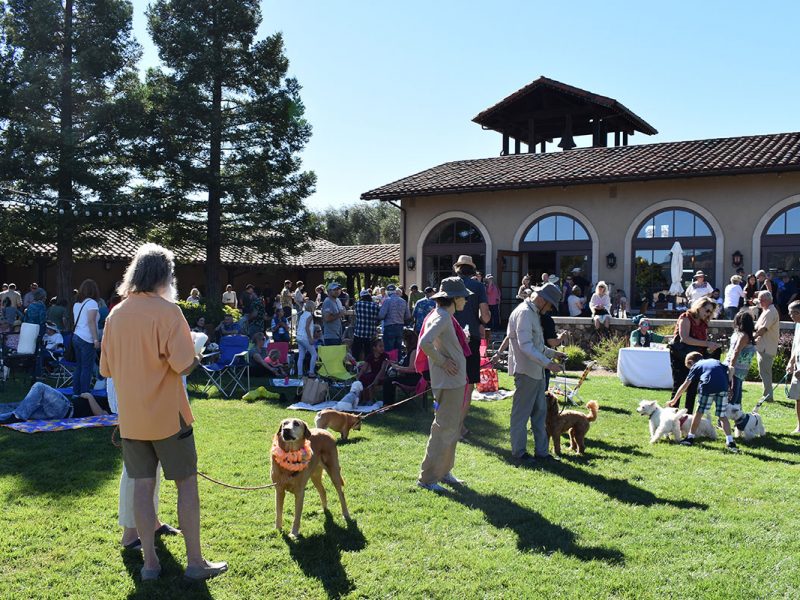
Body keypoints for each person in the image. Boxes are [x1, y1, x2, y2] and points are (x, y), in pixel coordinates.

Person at [99, 243, 227, 581]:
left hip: (132, 418)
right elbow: (184, 366)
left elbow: (106, 369)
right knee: (186, 485)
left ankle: (150, 564)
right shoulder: (169, 312)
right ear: (163, 276)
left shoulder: (115, 314)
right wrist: (197, 352)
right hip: (169, 417)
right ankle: (195, 563)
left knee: (142, 487)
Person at [416, 277, 472, 491]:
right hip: (448, 382)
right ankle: (428, 478)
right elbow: (424, 343)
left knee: (450, 428)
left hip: (452, 382)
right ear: (455, 298)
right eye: (463, 298)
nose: (465, 301)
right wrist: (443, 361)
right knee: (443, 429)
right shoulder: (442, 317)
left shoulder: (442, 315)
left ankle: (444, 471)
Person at [506, 282, 565, 467]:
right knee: (521, 415)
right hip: (526, 372)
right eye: (550, 305)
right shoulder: (524, 312)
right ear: (542, 299)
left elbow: (537, 345)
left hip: (537, 372)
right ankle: (519, 452)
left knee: (540, 413)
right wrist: (548, 363)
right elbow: (526, 346)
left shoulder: (532, 312)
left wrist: (553, 354)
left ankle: (542, 452)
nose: (549, 310)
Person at [452, 255, 490, 439]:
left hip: (449, 336)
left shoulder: (448, 283)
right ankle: (458, 428)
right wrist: (481, 320)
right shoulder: (477, 286)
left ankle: (452, 425)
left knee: (450, 383)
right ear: (472, 269)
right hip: (470, 339)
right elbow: (486, 316)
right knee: (468, 384)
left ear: (458, 268)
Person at [672, 352, 738, 453]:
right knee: (722, 415)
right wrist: (728, 383)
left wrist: (674, 399)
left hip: (707, 387)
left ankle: (690, 438)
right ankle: (730, 441)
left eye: (688, 367)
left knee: (698, 413)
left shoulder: (696, 366)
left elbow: (685, 384)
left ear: (691, 362)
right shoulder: (715, 361)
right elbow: (731, 368)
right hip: (722, 388)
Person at [667, 297, 720, 414]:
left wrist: (710, 347)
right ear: (699, 307)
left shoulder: (703, 322)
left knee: (693, 387)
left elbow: (700, 341)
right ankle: (670, 417)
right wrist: (707, 343)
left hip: (696, 357)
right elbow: (684, 338)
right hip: (680, 356)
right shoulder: (686, 317)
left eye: (711, 312)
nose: (709, 314)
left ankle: (688, 417)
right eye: (707, 310)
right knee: (679, 384)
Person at [0, 382, 110, 424]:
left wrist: (90, 396)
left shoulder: (112, 406)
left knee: (39, 387)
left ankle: (18, 416)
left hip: (66, 409)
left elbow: (101, 415)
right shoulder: (111, 398)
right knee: (24, 410)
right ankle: (13, 417)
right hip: (59, 411)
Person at [72, 279, 101, 395]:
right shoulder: (92, 304)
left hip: (76, 336)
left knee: (78, 367)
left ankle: (76, 392)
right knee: (86, 368)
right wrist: (96, 339)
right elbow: (91, 321)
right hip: (87, 338)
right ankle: (85, 393)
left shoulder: (77, 304)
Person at [726, 310, 756, 407]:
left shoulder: (739, 334)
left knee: (736, 396)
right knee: (734, 397)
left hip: (739, 370)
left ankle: (737, 419)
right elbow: (736, 351)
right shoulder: (743, 336)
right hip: (735, 369)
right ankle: (724, 419)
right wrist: (731, 368)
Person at [754, 290, 779, 403]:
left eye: (761, 300)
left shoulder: (770, 311)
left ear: (767, 300)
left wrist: (751, 337)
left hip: (766, 347)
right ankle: (767, 395)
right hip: (764, 346)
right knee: (764, 372)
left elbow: (762, 329)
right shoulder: (767, 310)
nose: (759, 302)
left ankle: (768, 396)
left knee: (765, 373)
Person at [383, 329, 421, 404]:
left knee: (388, 381)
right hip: (408, 377)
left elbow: (412, 369)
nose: (403, 343)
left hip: (412, 380)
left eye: (404, 340)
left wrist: (397, 368)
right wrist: (395, 364)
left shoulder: (414, 351)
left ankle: (388, 404)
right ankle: (388, 402)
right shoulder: (410, 351)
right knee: (388, 379)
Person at [378, 284, 410, 353]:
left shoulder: (387, 301)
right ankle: (397, 363)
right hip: (400, 327)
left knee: (388, 350)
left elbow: (381, 316)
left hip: (389, 327)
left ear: (388, 291)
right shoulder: (403, 301)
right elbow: (408, 316)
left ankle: (389, 363)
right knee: (398, 350)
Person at [358, 338, 390, 403]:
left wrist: (376, 379)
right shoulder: (370, 356)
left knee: (370, 378)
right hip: (373, 373)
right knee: (363, 377)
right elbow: (364, 368)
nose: (382, 348)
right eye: (380, 346)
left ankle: (370, 400)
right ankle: (364, 399)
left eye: (383, 346)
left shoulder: (385, 356)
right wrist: (358, 377)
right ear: (374, 348)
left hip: (381, 375)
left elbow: (382, 369)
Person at [352, 290, 380, 361]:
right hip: (370, 333)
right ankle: (368, 367)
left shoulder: (357, 304)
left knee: (356, 352)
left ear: (361, 297)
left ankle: (356, 366)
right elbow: (378, 318)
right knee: (369, 353)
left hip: (359, 332)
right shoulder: (375, 306)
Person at [785, 300, 800, 433]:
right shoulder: (798, 326)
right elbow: (796, 347)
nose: (790, 315)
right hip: (797, 369)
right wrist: (791, 362)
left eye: (792, 313)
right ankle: (799, 426)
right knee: (798, 398)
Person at [296, 300, 318, 377]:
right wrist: (310, 338)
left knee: (301, 356)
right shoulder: (310, 316)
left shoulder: (302, 315)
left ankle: (299, 374)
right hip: (305, 337)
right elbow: (307, 328)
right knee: (314, 354)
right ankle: (311, 372)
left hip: (299, 337)